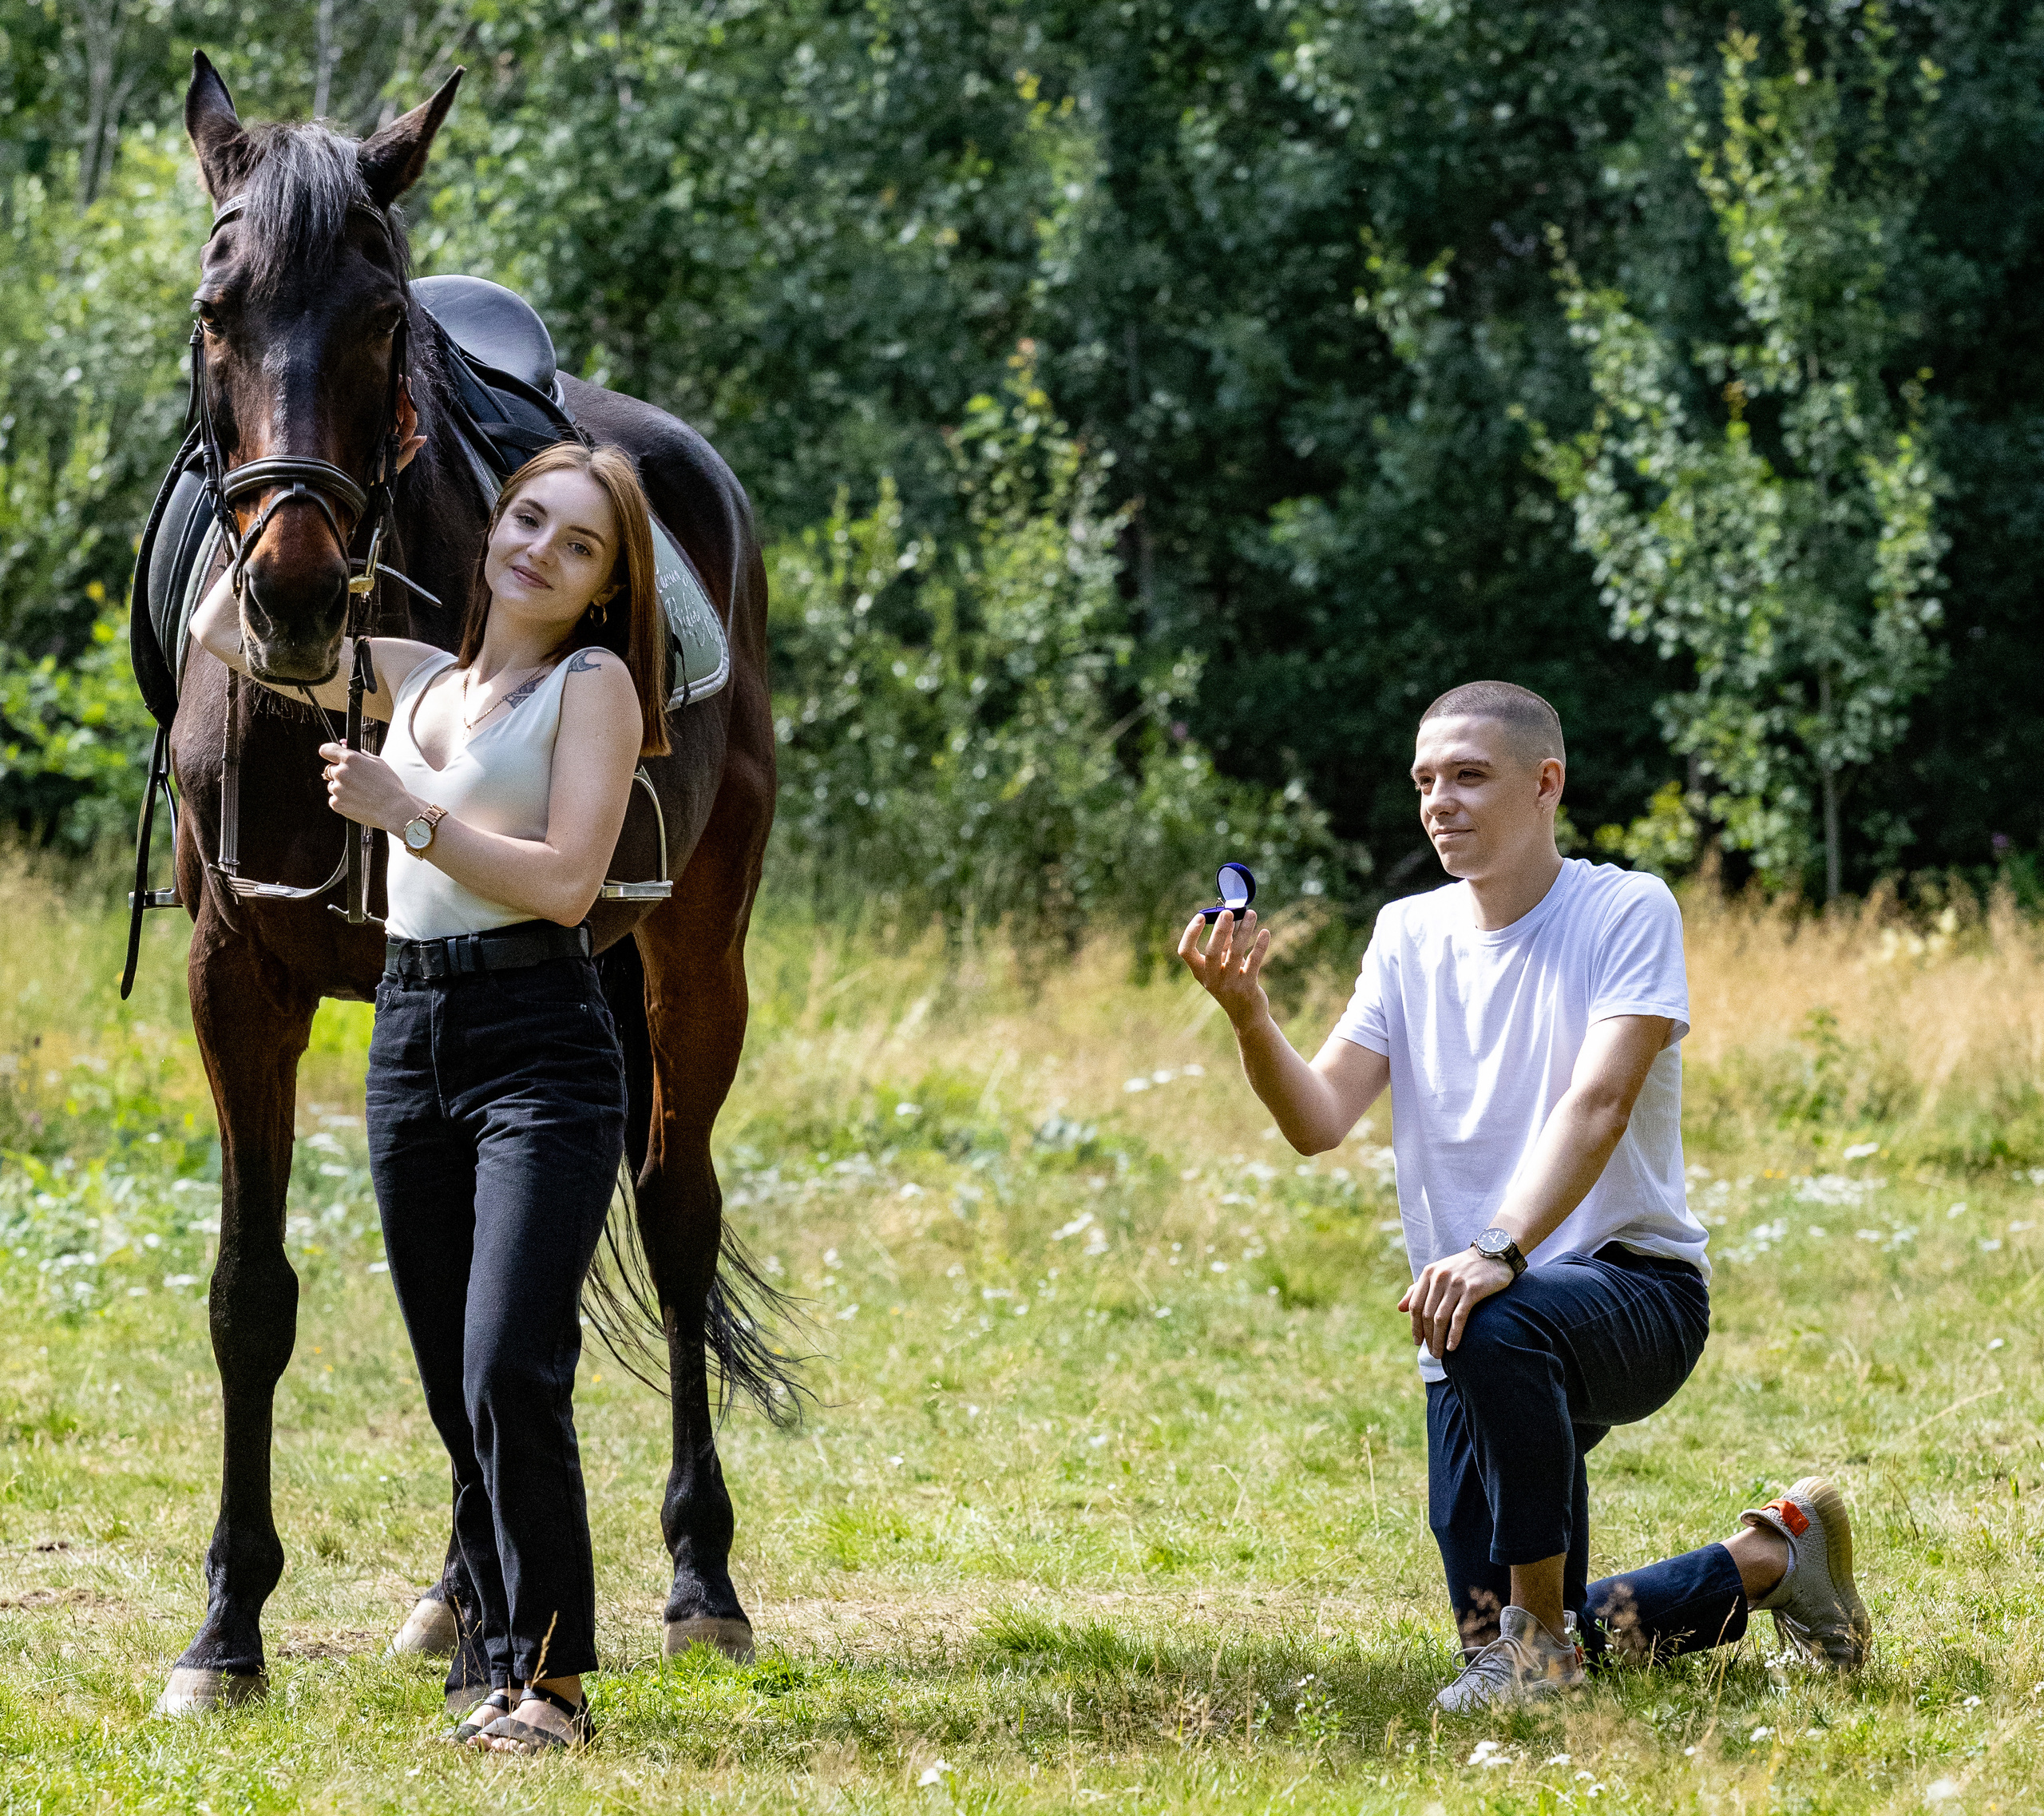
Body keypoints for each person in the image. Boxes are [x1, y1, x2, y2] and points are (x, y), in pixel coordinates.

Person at [1177, 680, 1873, 1711]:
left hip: (1631, 1292)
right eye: (1424, 781)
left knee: (1522, 1621)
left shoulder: (1626, 908)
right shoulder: (1407, 933)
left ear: (1546, 782)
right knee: (1481, 1632)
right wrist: (1248, 1016)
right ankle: (1773, 1558)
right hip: (1468, 1316)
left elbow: (1598, 1100)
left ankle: (1541, 1643)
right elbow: (1319, 1117)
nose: (1439, 802)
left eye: (1468, 775)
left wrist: (1500, 1245)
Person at [192, 440, 668, 1751]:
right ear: (489, 529)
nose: (537, 551)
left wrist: (409, 812)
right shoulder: (415, 678)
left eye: (578, 545)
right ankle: (496, 1667)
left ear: (605, 586)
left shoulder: (597, 686)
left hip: (542, 1041)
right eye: (527, 520)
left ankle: (556, 1690)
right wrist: (294, 505)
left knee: (512, 1357)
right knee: (457, 1387)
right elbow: (220, 624)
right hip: (412, 1037)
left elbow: (571, 880)